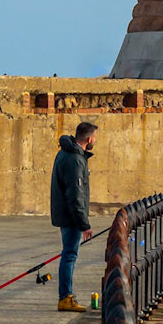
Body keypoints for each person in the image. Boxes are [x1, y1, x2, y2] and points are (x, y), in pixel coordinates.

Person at [49, 119, 98, 311]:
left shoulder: (64, 153)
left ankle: (66, 296)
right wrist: (84, 224)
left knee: (68, 254)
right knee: (69, 255)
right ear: (89, 138)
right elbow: (75, 194)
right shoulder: (75, 159)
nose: (95, 140)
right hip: (71, 217)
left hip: (65, 214)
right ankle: (66, 297)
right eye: (95, 137)